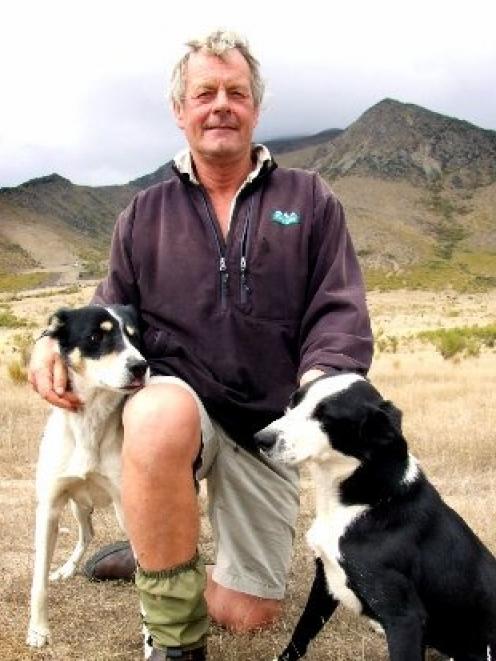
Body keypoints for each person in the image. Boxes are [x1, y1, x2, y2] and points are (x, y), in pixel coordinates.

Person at [28, 30, 373, 661]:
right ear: (180, 111)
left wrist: (321, 382)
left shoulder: (309, 200)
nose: (220, 105)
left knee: (248, 615)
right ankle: (175, 638)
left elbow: (338, 309)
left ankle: (154, 550)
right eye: (204, 92)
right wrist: (45, 347)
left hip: (266, 424)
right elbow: (104, 309)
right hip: (181, 401)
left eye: (235, 93)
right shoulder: (144, 213)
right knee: (158, 413)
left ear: (255, 110)